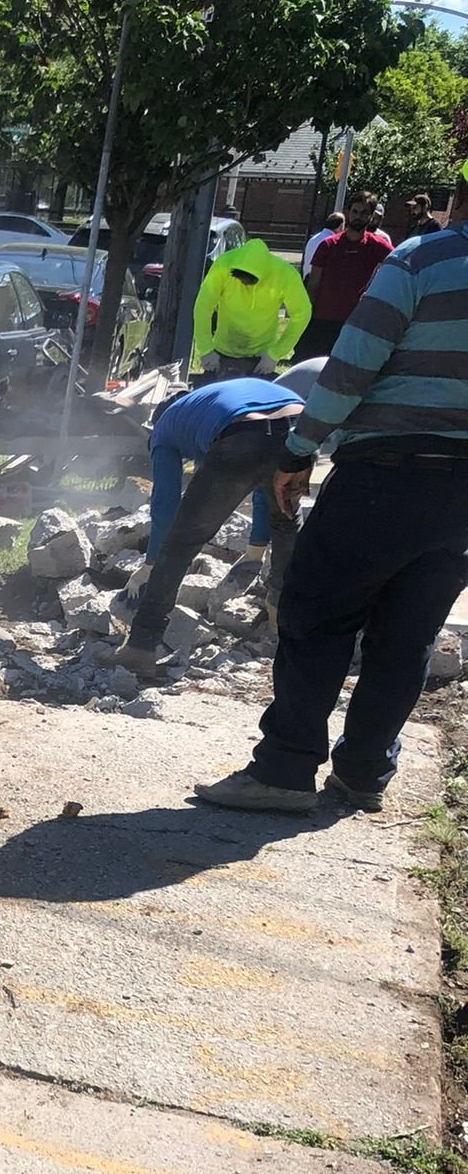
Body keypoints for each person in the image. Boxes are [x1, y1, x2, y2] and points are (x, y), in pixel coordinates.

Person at [195, 161, 468, 816]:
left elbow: (350, 367)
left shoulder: (421, 260)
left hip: (388, 470)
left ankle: (285, 771)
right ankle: (364, 772)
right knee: (408, 635)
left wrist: (297, 448)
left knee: (317, 613)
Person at [115, 369, 323, 677]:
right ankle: (281, 621)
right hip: (302, 431)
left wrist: (151, 562)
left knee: (181, 543)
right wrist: (255, 548)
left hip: (243, 435)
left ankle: (141, 646)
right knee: (287, 524)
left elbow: (166, 503)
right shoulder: (211, 404)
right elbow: (263, 485)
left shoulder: (165, 426)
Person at [191, 239, 310, 383]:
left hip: (261, 356)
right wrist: (205, 349)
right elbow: (203, 306)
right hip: (223, 350)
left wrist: (275, 354)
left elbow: (302, 313)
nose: (244, 283)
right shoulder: (223, 265)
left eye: (249, 280)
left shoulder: (285, 275)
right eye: (240, 278)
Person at [297, 191, 392, 359]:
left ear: (371, 217)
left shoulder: (377, 246)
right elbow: (313, 284)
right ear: (348, 212)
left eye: (364, 213)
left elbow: (400, 266)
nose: (358, 216)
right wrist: (307, 318)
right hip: (322, 319)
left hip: (354, 322)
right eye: (355, 211)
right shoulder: (328, 245)